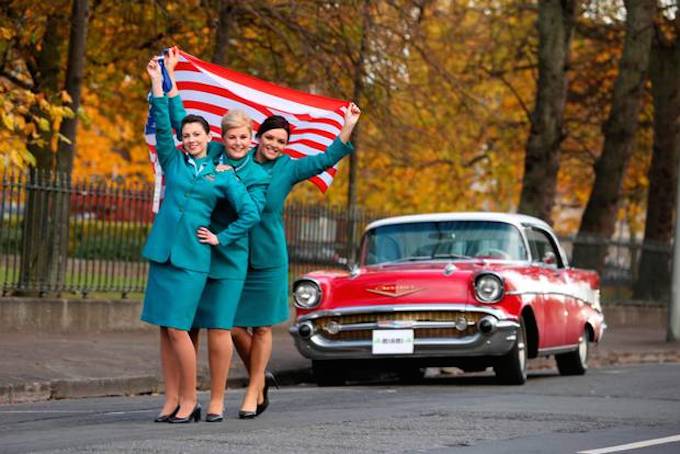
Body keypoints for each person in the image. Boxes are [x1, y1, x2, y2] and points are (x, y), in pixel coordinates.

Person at [140, 56, 259, 424]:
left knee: (179, 329)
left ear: (210, 139)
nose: (191, 139)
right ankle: (170, 399)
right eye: (187, 135)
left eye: (197, 135)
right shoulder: (173, 161)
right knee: (164, 329)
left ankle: (191, 401)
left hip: (193, 260)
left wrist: (221, 237)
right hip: (163, 256)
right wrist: (161, 81)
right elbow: (165, 125)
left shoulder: (221, 174)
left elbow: (250, 213)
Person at [233, 104, 361, 418]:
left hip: (269, 257)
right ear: (257, 137)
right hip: (234, 255)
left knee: (262, 328)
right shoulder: (237, 161)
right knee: (231, 325)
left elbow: (327, 159)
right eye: (270, 138)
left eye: (280, 141)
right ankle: (261, 375)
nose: (274, 144)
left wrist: (348, 124)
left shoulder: (288, 168)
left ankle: (254, 390)